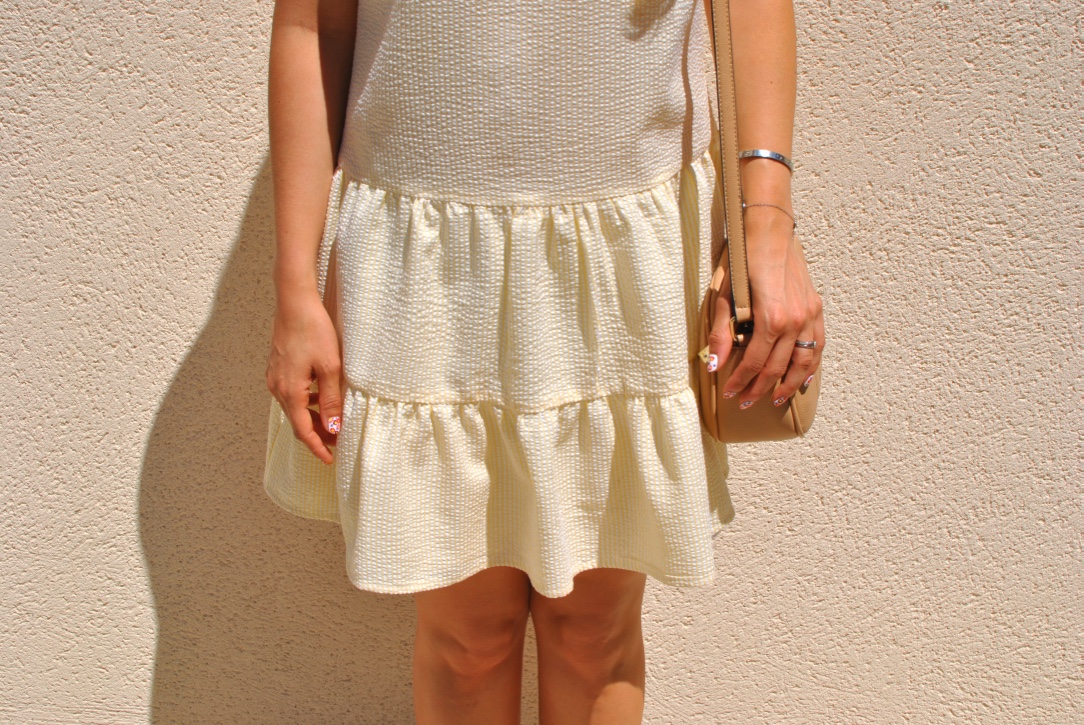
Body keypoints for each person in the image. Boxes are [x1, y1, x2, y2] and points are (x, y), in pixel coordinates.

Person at [263, 0, 824, 722]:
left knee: (593, 633)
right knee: (468, 639)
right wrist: (293, 288)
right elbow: (313, 24)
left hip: (624, 240)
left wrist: (767, 219)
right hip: (428, 254)